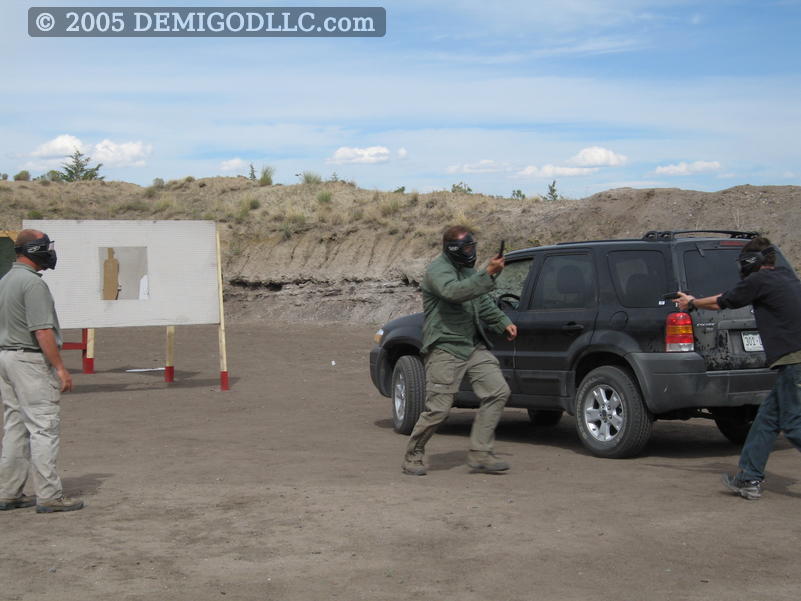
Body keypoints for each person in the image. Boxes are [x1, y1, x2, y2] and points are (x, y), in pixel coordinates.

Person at [676, 236, 801, 500]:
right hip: (792, 362)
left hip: (794, 362)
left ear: (751, 262)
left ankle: (749, 478)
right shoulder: (787, 278)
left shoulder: (759, 280)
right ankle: (748, 478)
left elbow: (723, 301)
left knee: (792, 424)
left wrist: (691, 303)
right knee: (766, 421)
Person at [402, 225, 517, 476]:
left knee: (497, 391)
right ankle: (414, 454)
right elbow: (454, 293)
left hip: (472, 345)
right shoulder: (437, 271)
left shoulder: (467, 270)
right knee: (439, 409)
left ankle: (481, 453)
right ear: (452, 249)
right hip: (445, 346)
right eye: (466, 248)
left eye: (472, 247)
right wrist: (487, 273)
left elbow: (482, 301)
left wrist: (503, 322)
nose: (471, 252)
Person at [0, 229, 83, 513]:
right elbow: (42, 330)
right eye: (46, 247)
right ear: (35, 250)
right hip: (29, 361)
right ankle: (48, 495)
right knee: (43, 426)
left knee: (15, 426)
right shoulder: (32, 284)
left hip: (6, 357)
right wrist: (60, 368)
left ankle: (8, 492)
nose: (50, 251)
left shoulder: (6, 280)